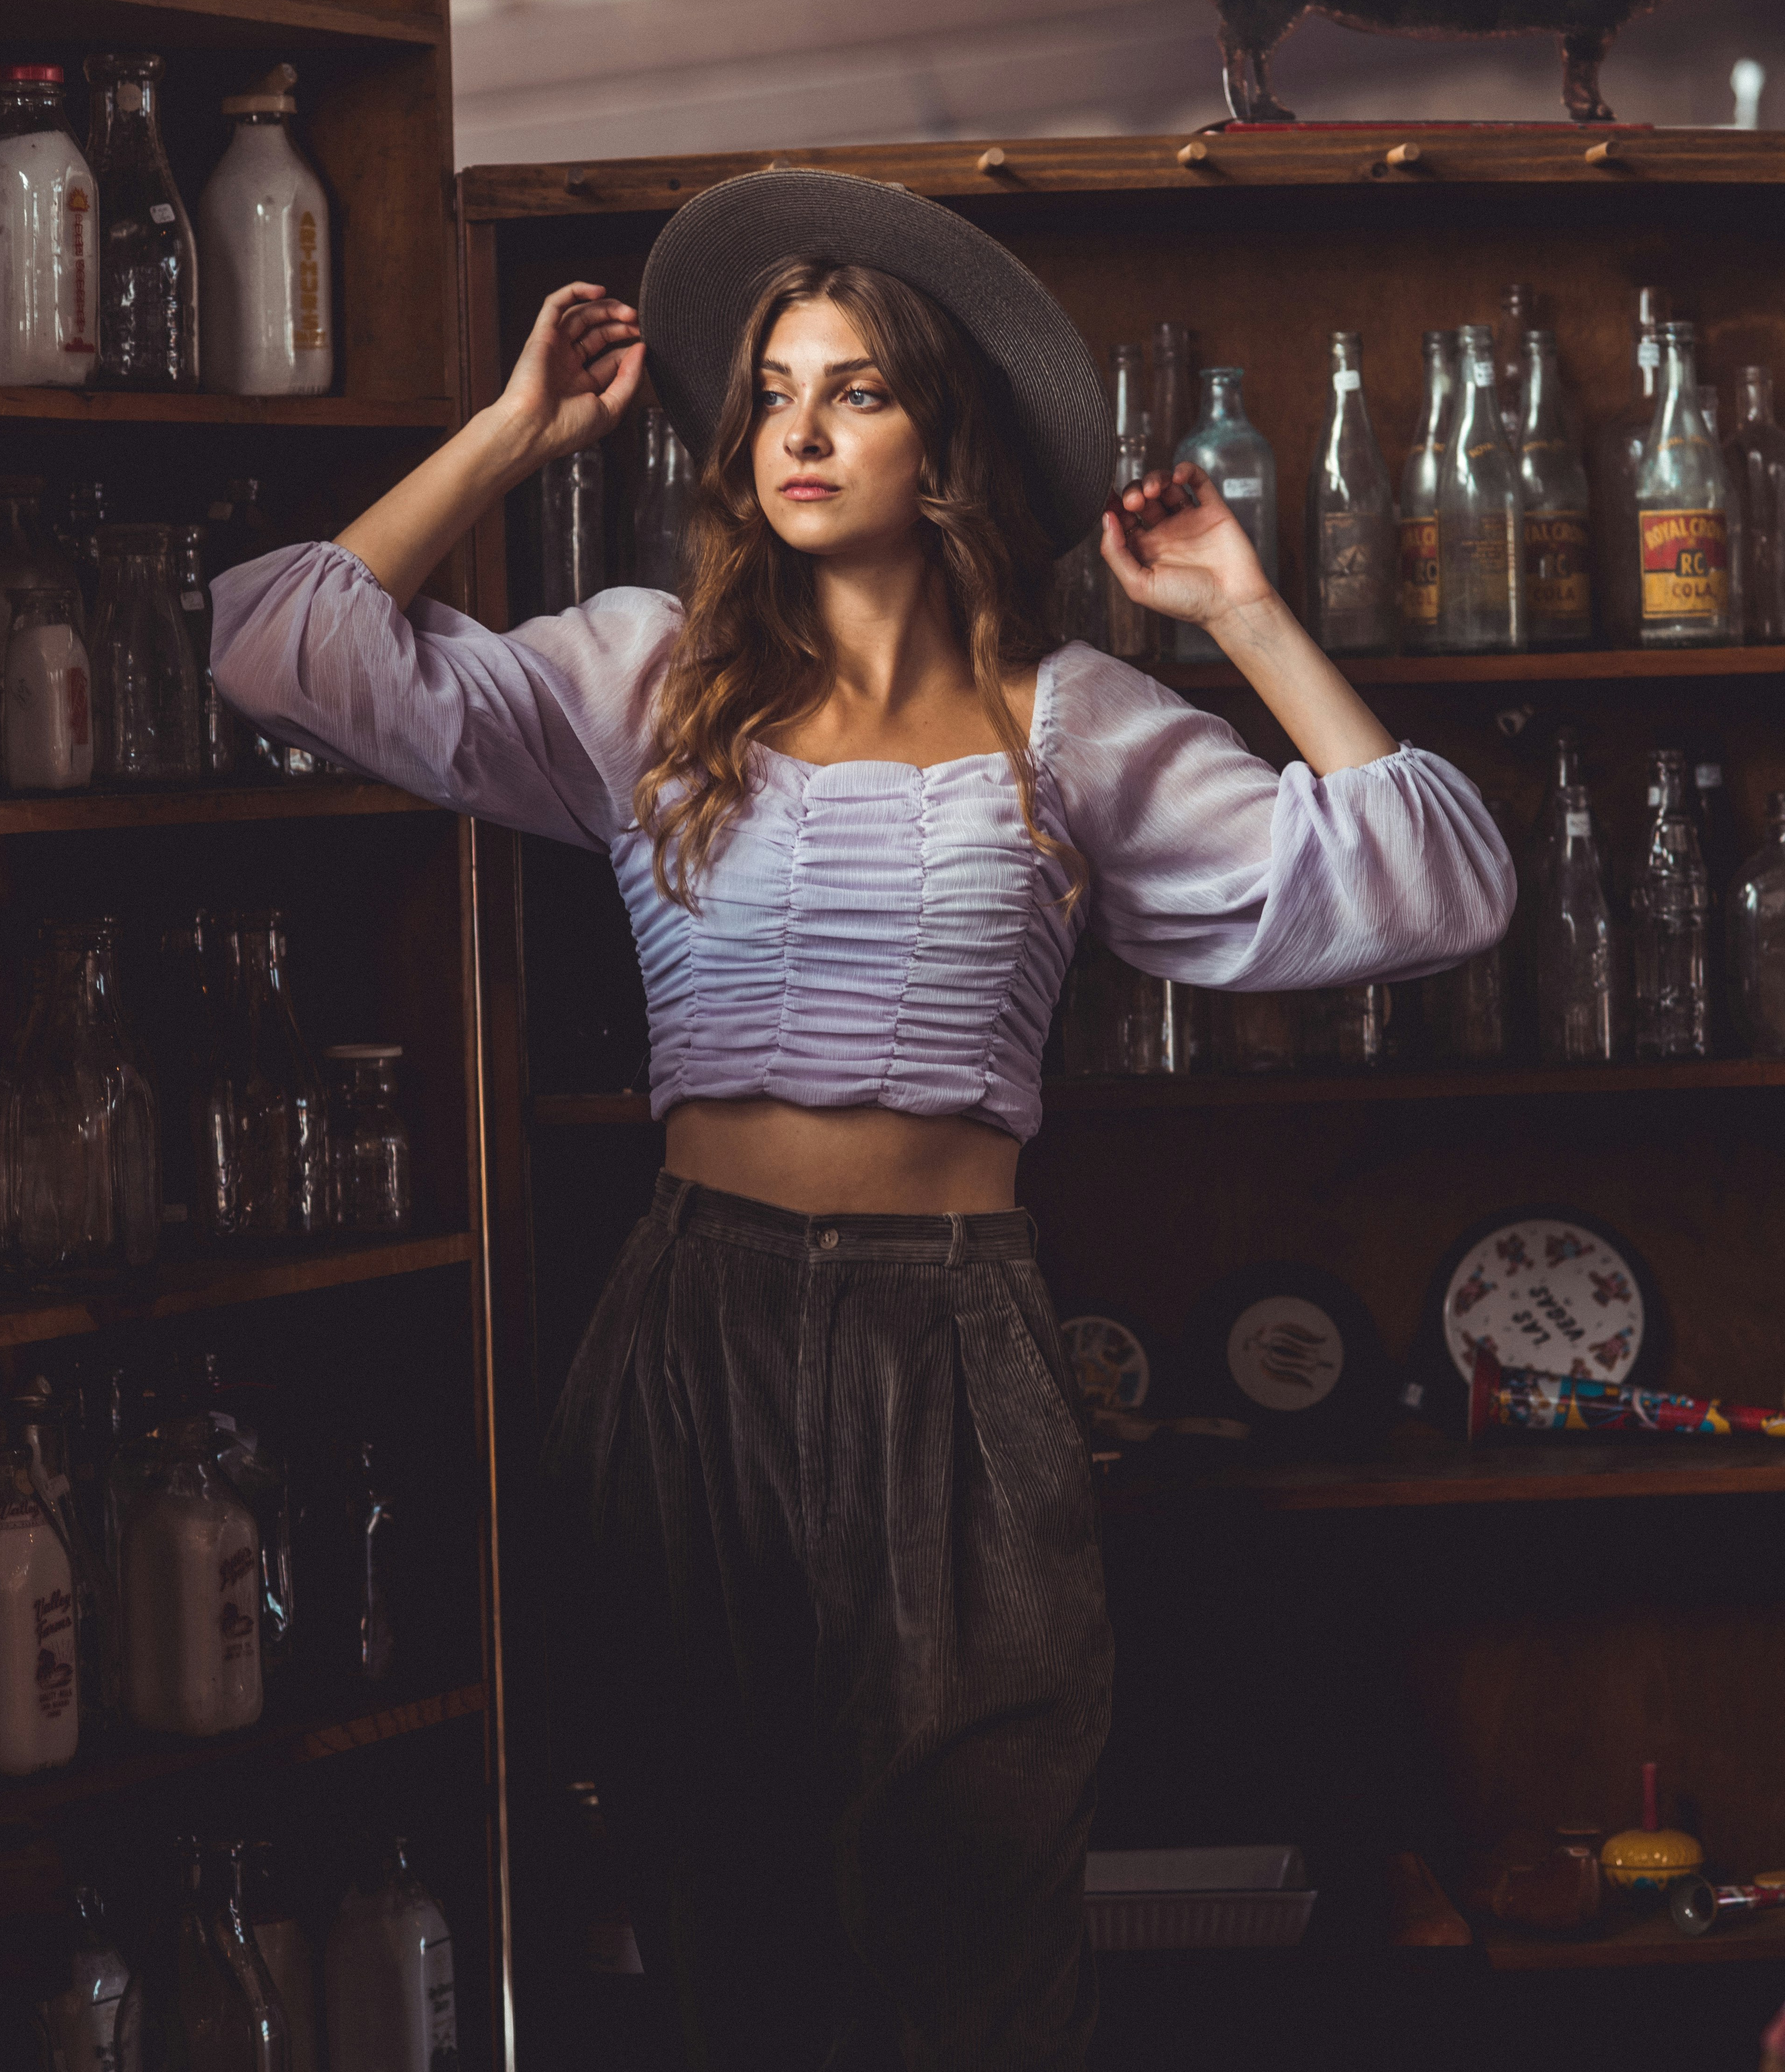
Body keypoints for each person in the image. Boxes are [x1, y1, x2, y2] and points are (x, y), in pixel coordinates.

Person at [211, 168, 1513, 2070]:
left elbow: (1436, 884)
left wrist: (1237, 604)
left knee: (977, 1889)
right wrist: (511, 430)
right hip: (690, 1324)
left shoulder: (1074, 722)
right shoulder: (647, 673)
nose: (794, 435)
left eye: (854, 392)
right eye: (767, 393)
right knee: (710, 1886)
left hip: (955, 1325)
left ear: (948, 436)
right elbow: (280, 647)